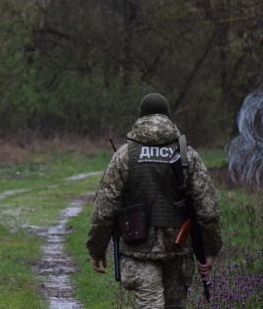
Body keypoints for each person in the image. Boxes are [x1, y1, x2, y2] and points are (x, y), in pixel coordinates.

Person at [85, 93, 222, 308]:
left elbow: (104, 209)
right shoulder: (187, 154)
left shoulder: (124, 155)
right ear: (168, 117)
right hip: (179, 249)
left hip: (138, 249)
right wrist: (210, 250)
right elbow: (208, 210)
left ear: (140, 117)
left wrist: (96, 249)